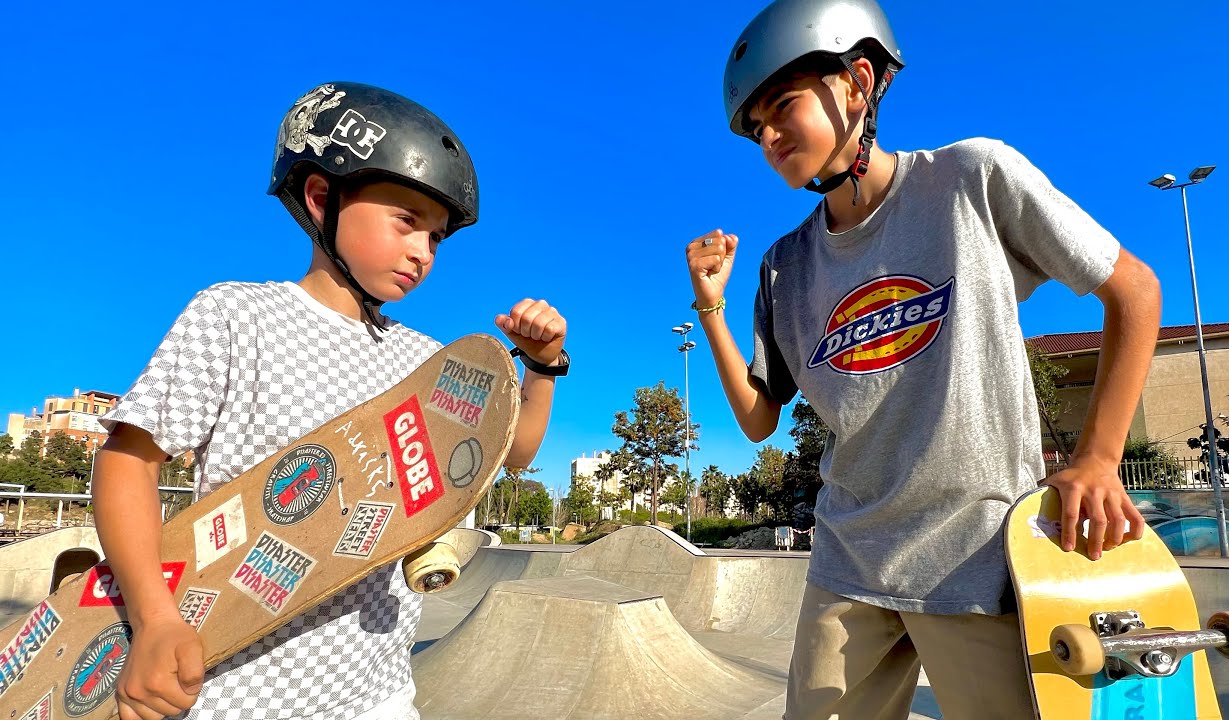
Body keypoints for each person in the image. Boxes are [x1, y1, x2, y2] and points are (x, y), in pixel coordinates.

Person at [684, 1, 1162, 717]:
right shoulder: (785, 267)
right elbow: (759, 420)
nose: (770, 136)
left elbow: (1134, 290)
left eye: (782, 106)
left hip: (980, 560)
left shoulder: (970, 179)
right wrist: (711, 306)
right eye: (756, 129)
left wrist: (1097, 458)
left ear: (858, 82)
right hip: (847, 566)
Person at [92, 82, 570, 720]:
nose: (422, 253)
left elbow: (512, 453)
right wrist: (154, 620)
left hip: (380, 694)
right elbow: (127, 462)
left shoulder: (425, 362)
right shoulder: (236, 317)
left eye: (436, 239)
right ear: (322, 198)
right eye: (407, 222)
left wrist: (541, 367)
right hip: (236, 693)